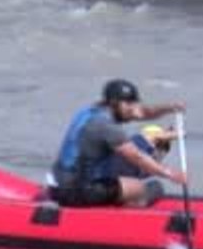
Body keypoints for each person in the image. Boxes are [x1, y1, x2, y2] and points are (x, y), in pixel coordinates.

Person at [48, 79, 187, 207]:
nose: (133, 108)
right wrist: (170, 174)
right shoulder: (106, 126)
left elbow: (142, 112)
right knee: (142, 188)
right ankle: (122, 215)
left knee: (120, 178)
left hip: (56, 184)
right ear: (114, 103)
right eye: (129, 104)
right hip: (74, 191)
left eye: (133, 103)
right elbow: (137, 157)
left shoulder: (90, 111)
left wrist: (169, 108)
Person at [102, 124, 177, 180]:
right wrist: (177, 133)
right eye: (160, 145)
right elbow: (155, 137)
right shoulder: (137, 142)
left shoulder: (149, 169)